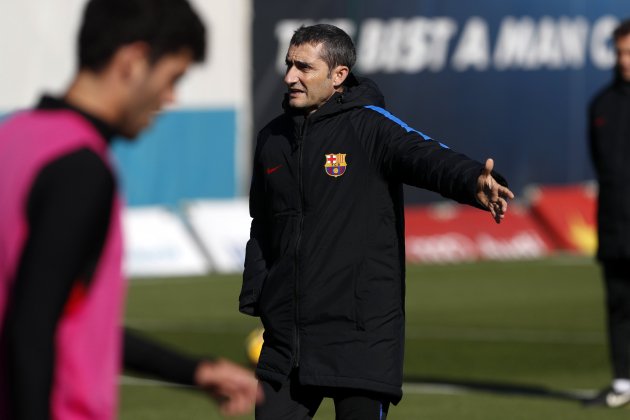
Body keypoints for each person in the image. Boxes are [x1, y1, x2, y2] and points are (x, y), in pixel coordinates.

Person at [239, 23, 514, 419]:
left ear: (339, 75)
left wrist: (475, 181)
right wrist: (259, 298)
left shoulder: (370, 126)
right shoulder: (272, 139)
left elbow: (427, 156)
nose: (289, 77)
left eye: (303, 67)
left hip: (360, 335)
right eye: (288, 65)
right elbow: (262, 225)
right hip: (289, 340)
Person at [0, 0, 260, 418]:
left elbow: (65, 321)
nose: (170, 97)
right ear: (133, 61)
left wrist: (193, 370)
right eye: (172, 77)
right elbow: (30, 330)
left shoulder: (12, 138)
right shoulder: (80, 169)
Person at [587, 18, 630, 408]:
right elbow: (603, 166)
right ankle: (623, 382)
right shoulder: (601, 104)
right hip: (615, 225)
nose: (624, 59)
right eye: (619, 52)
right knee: (618, 304)